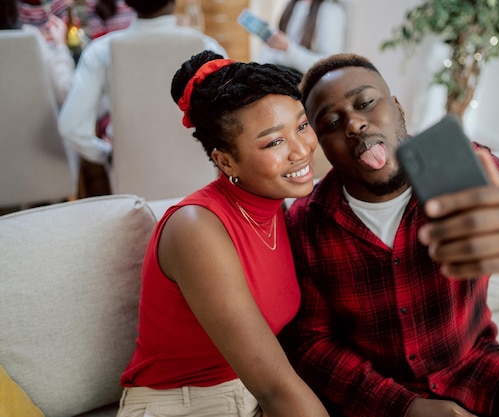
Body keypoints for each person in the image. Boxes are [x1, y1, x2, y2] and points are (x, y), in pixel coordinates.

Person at [281, 53, 499, 417]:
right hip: (375, 393)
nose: (354, 124)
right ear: (322, 145)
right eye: (332, 122)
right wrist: (406, 408)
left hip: (475, 367)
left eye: (365, 103)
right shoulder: (306, 223)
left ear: (398, 108)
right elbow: (312, 344)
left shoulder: (462, 168)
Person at [116, 50, 330, 417]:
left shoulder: (275, 201)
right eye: (273, 142)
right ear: (226, 161)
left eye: (301, 125)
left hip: (249, 398)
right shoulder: (196, 228)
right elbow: (275, 387)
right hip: (186, 405)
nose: (301, 150)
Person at [57, 0, 226, 197]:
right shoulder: (208, 48)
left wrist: (109, 155)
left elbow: (71, 126)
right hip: (201, 195)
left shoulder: (101, 51)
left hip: (133, 198)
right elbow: (227, 121)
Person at [2, 0, 74, 106]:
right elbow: (63, 92)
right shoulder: (28, 36)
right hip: (38, 118)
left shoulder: (59, 5)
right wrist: (60, 45)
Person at [256, 0, 347, 77]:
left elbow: (330, 64)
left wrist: (289, 48)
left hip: (303, 81)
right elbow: (272, 55)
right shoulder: (294, 5)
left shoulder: (331, 10)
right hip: (279, 73)